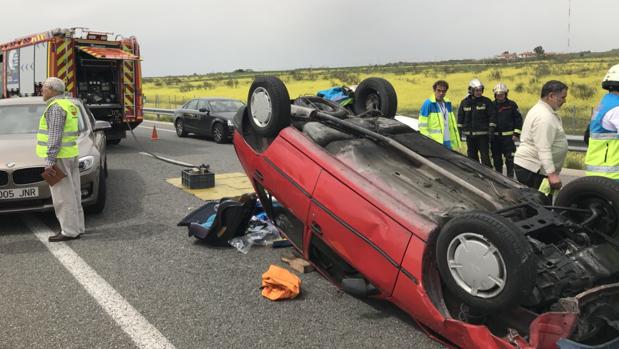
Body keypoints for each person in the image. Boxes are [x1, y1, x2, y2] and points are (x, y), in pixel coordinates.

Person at [36, 77, 85, 242]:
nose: (42, 90)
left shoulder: (55, 108)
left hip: (59, 158)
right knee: (74, 193)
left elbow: (54, 137)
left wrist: (49, 161)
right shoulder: (70, 105)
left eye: (44, 88)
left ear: (52, 90)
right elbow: (76, 131)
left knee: (63, 197)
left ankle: (69, 231)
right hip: (71, 154)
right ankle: (78, 227)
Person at [514, 80, 569, 192]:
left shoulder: (543, 111)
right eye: (562, 97)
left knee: (536, 203)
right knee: (539, 204)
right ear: (551, 96)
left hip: (534, 169)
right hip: (534, 170)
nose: (565, 101)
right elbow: (543, 148)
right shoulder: (544, 117)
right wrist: (552, 174)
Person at [584, 64, 619, 180]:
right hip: (613, 176)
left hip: (598, 173)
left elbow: (587, 136)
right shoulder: (616, 108)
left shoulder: (604, 103)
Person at [457, 79, 497, 167]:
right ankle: (475, 177)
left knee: (485, 157)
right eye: (477, 90)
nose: (479, 92)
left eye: (480, 90)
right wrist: (459, 132)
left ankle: (489, 176)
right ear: (471, 90)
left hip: (483, 136)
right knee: (472, 158)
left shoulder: (486, 102)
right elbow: (460, 118)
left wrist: (491, 130)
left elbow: (492, 117)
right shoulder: (464, 102)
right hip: (470, 136)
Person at [491, 83, 522, 178]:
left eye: (502, 94)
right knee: (497, 159)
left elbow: (518, 119)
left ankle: (510, 178)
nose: (500, 96)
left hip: (508, 138)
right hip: (495, 138)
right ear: (495, 95)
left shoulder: (512, 105)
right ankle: (499, 177)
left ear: (506, 93)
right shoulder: (491, 105)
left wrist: (516, 134)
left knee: (510, 159)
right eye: (498, 94)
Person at [418, 80, 461, 149]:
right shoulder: (428, 104)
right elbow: (422, 126)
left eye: (443, 91)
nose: (441, 93)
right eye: (438, 90)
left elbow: (451, 123)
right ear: (434, 90)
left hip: (448, 140)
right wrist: (428, 141)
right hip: (435, 142)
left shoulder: (448, 103)